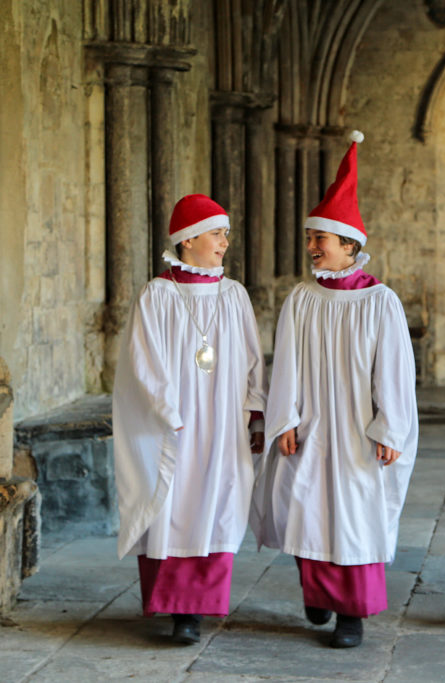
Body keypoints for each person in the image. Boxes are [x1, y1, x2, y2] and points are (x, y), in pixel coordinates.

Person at [251, 131, 417, 649]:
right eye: (309, 239)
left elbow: (393, 371)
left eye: (319, 239)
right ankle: (318, 593)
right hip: (311, 426)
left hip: (358, 431)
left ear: (348, 245)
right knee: (306, 509)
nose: (311, 248)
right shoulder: (302, 299)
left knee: (355, 517)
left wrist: (389, 427)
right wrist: (283, 419)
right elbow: (287, 365)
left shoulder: (380, 302)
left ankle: (352, 614)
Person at [113, 194, 266, 644]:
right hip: (175, 426)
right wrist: (167, 411)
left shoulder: (233, 295)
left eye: (225, 234)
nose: (225, 242)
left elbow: (253, 359)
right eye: (216, 233)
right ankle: (182, 612)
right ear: (188, 240)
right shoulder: (157, 295)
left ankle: (200, 605)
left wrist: (255, 413)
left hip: (224, 424)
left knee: (219, 504)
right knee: (174, 505)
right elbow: (142, 360)